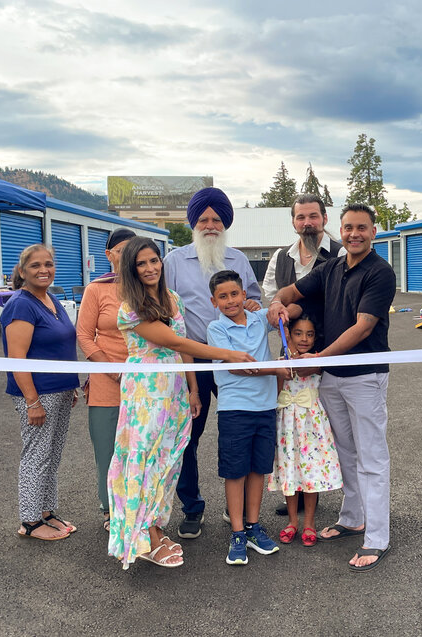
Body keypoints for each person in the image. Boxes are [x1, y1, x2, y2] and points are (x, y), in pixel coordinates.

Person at [108, 240, 255, 570]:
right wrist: (226, 354)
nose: (150, 268)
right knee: (144, 462)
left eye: (154, 261)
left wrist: (193, 388)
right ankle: (145, 536)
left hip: (174, 390)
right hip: (146, 393)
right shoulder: (130, 307)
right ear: (131, 270)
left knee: (166, 462)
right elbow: (173, 341)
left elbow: (181, 344)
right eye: (142, 263)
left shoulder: (171, 299)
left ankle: (155, 530)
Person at [268, 203, 396, 573]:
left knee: (371, 456)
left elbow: (363, 327)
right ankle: (353, 518)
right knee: (345, 452)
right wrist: (278, 303)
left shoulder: (380, 273)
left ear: (373, 231)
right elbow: (291, 292)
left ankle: (377, 536)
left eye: (362, 227)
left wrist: (318, 357)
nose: (354, 233)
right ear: (340, 229)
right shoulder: (330, 269)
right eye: (349, 227)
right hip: (332, 379)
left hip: (364, 375)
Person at [163, 187, 261, 540]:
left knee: (240, 429)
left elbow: (253, 299)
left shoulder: (238, 259)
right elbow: (167, 313)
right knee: (188, 435)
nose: (209, 225)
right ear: (193, 223)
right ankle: (192, 507)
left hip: (235, 359)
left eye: (216, 219)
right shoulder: (173, 261)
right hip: (194, 360)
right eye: (203, 219)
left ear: (225, 223)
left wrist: (251, 304)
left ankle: (236, 508)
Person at [261, 192, 345, 516]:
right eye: (301, 217)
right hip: (293, 355)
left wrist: (301, 307)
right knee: (294, 428)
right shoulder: (281, 257)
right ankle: (296, 487)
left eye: (313, 216)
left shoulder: (339, 253)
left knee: (329, 430)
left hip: (332, 354)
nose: (307, 223)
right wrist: (275, 307)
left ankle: (330, 492)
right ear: (293, 222)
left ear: (325, 218)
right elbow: (271, 297)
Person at [207, 270, 290, 566]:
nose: (230, 301)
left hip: (265, 407)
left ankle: (254, 527)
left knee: (258, 469)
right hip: (235, 409)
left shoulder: (257, 318)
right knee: (235, 471)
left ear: (245, 295)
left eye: (234, 294)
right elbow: (237, 367)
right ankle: (238, 532)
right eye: (223, 296)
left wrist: (278, 306)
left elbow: (284, 309)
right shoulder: (216, 330)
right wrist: (276, 370)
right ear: (214, 301)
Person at [1, 244, 80, 541]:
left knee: (52, 453)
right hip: (37, 394)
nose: (43, 269)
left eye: (48, 263)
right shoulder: (21, 304)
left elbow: (61, 347)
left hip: (59, 390)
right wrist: (33, 401)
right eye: (35, 265)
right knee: (37, 455)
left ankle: (46, 511)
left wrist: (70, 386)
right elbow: (16, 359)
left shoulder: (50, 298)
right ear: (23, 272)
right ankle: (30, 521)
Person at [76, 227, 136, 531]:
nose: (127, 256)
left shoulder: (147, 286)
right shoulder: (97, 289)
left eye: (133, 249)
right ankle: (111, 509)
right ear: (109, 255)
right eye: (121, 250)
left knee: (140, 449)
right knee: (109, 451)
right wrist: (112, 370)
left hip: (143, 384)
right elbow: (85, 336)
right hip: (106, 383)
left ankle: (138, 507)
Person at [267, 315, 343, 547]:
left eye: (310, 334)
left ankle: (309, 522)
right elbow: (276, 392)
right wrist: (282, 372)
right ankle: (292, 522)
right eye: (298, 333)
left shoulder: (318, 362)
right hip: (287, 424)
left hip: (312, 424)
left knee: (310, 472)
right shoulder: (282, 362)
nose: (304, 339)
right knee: (290, 471)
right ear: (288, 334)